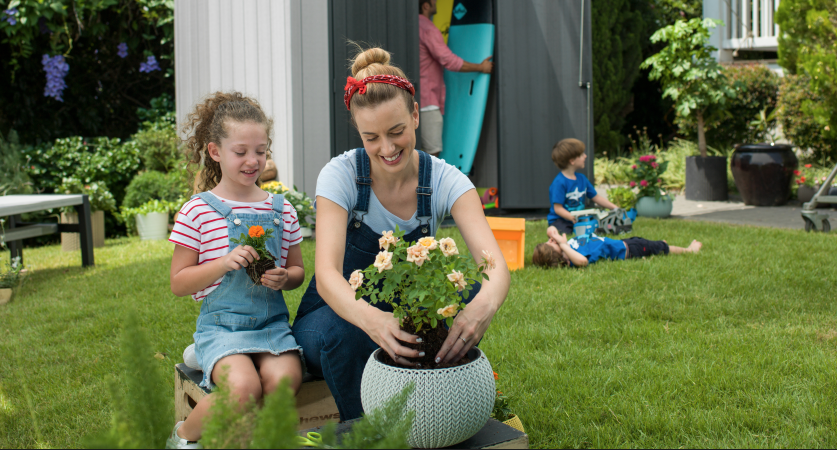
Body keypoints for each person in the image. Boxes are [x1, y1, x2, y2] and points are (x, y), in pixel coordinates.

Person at [292, 46, 510, 421]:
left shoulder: (445, 180)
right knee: (342, 335)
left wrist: (481, 308)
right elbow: (327, 276)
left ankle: (434, 409)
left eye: (396, 132)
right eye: (371, 137)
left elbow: (494, 267)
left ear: (414, 116)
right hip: (334, 318)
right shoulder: (340, 175)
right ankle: (369, 434)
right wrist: (373, 320)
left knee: (469, 293)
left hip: (404, 316)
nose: (387, 148)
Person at [166, 92, 305, 449]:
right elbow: (179, 283)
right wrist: (222, 263)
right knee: (243, 390)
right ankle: (183, 437)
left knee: (286, 379)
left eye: (260, 151)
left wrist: (284, 278)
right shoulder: (198, 211)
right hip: (223, 326)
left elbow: (297, 272)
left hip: (270, 325)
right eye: (240, 152)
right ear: (215, 151)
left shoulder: (281, 209)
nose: (252, 160)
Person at [418, 0, 493, 156]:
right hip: (427, 103)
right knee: (432, 154)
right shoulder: (427, 29)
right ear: (426, 5)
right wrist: (480, 67)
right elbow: (449, 60)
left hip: (414, 99)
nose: (436, 0)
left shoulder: (412, 26)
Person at [533, 225, 703, 268]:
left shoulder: (565, 248)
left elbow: (551, 229)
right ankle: (689, 250)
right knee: (660, 248)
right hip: (629, 249)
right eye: (551, 244)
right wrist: (563, 245)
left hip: (624, 242)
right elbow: (583, 262)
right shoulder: (571, 255)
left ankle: (658, 246)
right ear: (557, 256)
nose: (551, 240)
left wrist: (556, 239)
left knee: (654, 245)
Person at [548, 138, 618, 236]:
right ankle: (552, 229)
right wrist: (572, 218)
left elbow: (596, 197)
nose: (585, 156)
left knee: (596, 229)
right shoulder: (559, 183)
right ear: (572, 161)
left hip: (578, 218)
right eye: (581, 155)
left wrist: (615, 208)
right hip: (561, 219)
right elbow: (558, 209)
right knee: (564, 232)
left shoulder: (582, 179)